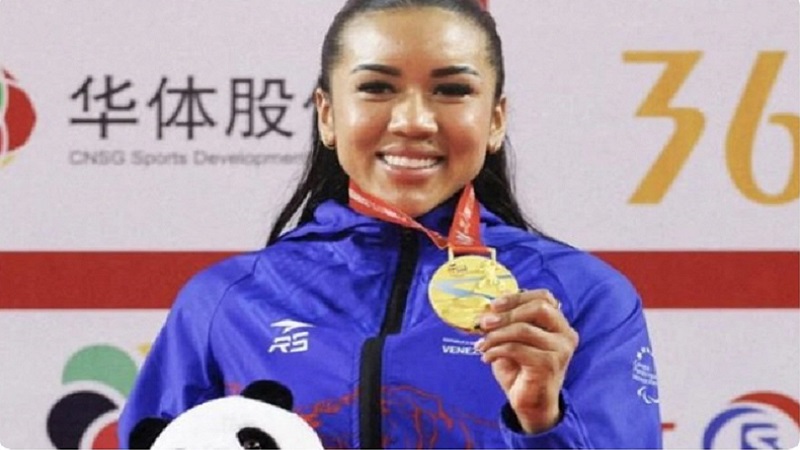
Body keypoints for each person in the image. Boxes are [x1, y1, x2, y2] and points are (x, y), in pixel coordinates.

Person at [119, 0, 663, 448]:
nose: (413, 121)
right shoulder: (226, 303)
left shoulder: (581, 298)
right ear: (327, 114)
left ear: (495, 119)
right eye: (377, 88)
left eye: (452, 90)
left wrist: (542, 422)